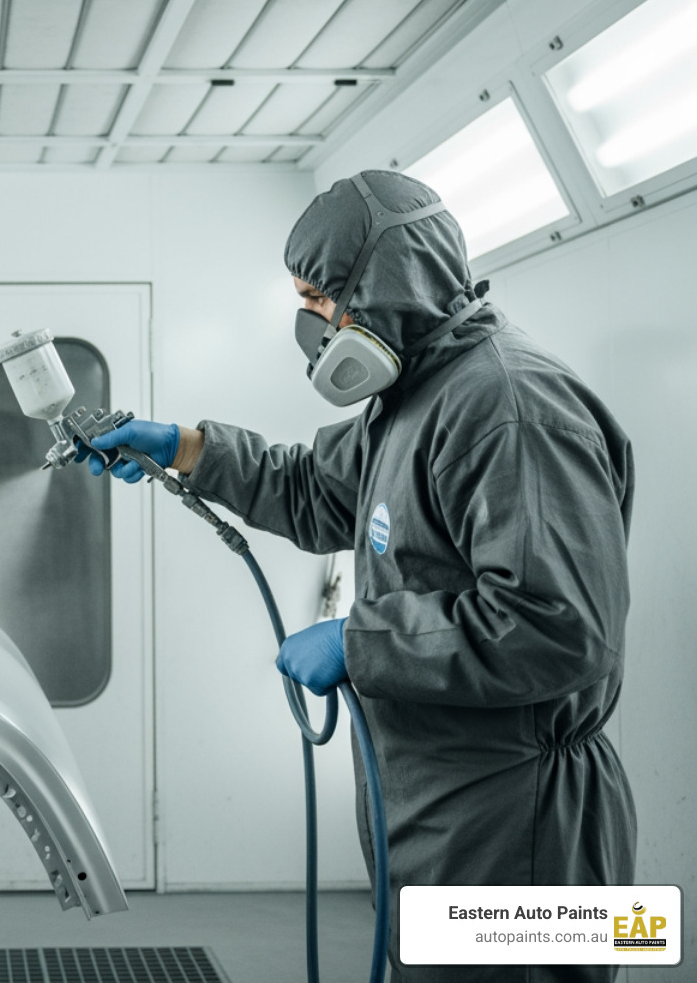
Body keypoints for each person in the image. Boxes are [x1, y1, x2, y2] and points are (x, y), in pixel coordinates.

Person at [86, 170, 636, 983]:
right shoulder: (416, 397)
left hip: (519, 821)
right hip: (441, 803)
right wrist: (184, 447)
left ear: (382, 291)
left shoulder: (508, 407)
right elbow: (314, 491)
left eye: (319, 296)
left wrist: (360, 641)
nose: (309, 323)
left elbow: (558, 626)